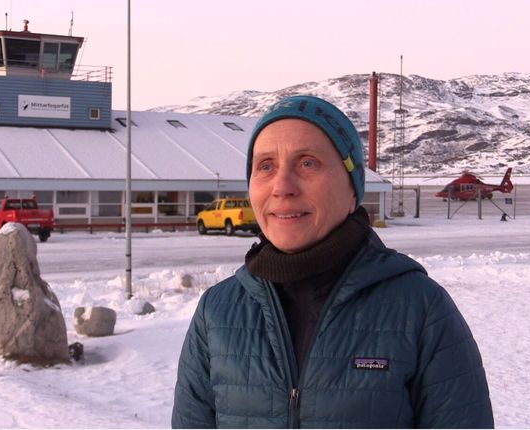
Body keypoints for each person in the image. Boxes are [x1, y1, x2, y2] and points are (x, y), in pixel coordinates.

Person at [172, 95, 494, 428]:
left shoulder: (420, 309)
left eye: (308, 163)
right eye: (265, 166)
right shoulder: (217, 312)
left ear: (353, 189)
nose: (282, 187)